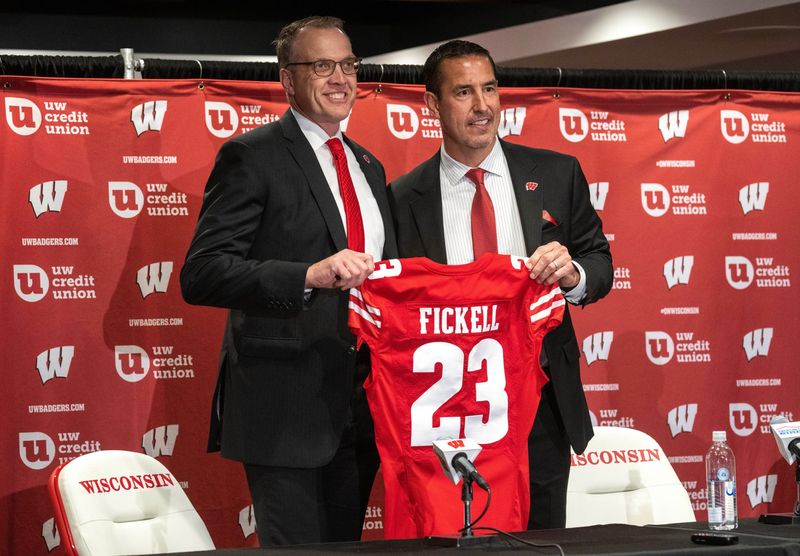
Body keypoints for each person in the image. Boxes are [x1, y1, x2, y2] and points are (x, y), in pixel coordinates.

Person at [180, 16, 397, 546]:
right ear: (287, 79)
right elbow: (201, 273)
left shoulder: (368, 165)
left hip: (362, 403)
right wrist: (308, 275)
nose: (340, 78)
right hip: (283, 406)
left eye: (348, 64)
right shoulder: (251, 156)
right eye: (322, 65)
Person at [388, 39, 612, 530]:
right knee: (455, 536)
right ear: (432, 105)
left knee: (545, 536)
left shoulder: (555, 172)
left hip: (541, 399)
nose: (482, 105)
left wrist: (572, 272)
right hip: (450, 408)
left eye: (490, 88)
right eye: (464, 92)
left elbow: (599, 262)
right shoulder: (402, 198)